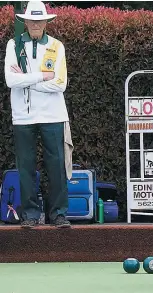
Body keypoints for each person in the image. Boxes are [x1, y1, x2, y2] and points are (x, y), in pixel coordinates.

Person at [4, 1, 73, 229]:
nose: (35, 24)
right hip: (23, 117)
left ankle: (58, 214)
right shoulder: (13, 45)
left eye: (39, 20)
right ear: (25, 21)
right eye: (31, 20)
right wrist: (42, 77)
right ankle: (30, 215)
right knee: (25, 167)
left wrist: (27, 80)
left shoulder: (57, 46)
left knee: (56, 166)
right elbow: (11, 81)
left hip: (53, 115)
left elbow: (60, 84)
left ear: (46, 22)